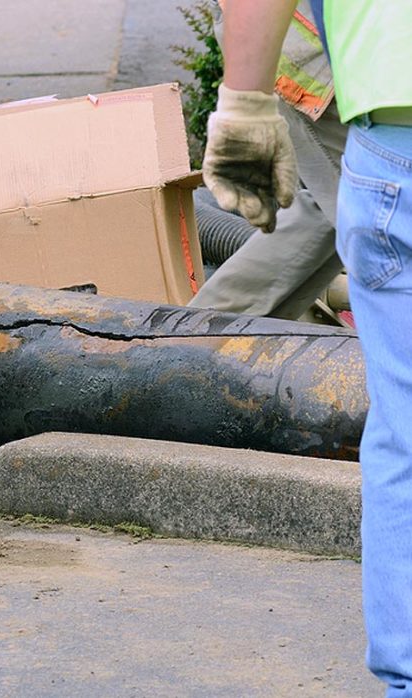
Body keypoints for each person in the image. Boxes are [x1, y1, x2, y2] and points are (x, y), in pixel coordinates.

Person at [204, 1, 412, 694]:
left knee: (406, 433)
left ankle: (200, 340)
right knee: (312, 223)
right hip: (326, 83)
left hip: (370, 100)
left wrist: (241, 99)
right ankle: (197, 347)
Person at [189, 1, 347, 320]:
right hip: (300, 45)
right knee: (367, 199)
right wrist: (245, 108)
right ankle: (196, 342)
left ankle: (201, 340)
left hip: (305, 42)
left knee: (345, 204)